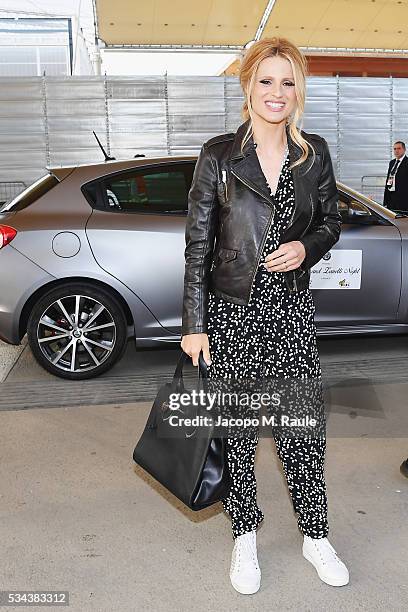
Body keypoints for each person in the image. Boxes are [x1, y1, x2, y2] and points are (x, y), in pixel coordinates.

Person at [180, 36, 349, 595]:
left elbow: (331, 220)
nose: (277, 92)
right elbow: (198, 246)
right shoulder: (219, 156)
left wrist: (308, 248)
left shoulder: (313, 153)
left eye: (288, 81)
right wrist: (194, 323)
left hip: (292, 312)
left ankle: (315, 534)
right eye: (266, 80)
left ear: (299, 90)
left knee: (303, 430)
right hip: (231, 312)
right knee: (238, 434)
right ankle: (245, 535)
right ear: (248, 86)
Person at [383, 141, 408, 211]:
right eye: (395, 149)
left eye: (399, 148)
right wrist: (386, 200)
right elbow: (389, 179)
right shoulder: (392, 162)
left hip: (403, 199)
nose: (396, 151)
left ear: (404, 149)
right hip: (391, 198)